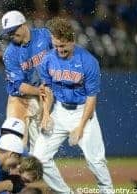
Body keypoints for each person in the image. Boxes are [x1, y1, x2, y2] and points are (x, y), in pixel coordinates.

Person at [34, 17, 113, 193]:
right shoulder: (47, 60)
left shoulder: (88, 61)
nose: (59, 50)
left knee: (96, 160)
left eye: (63, 46)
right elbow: (46, 89)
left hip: (83, 112)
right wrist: (46, 114)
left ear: (72, 41)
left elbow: (92, 98)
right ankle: (65, 192)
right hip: (59, 111)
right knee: (39, 158)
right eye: (56, 46)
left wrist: (81, 127)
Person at [0, 10, 52, 150]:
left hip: (40, 95)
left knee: (41, 148)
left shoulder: (44, 35)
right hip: (20, 99)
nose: (10, 35)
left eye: (13, 30)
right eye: (8, 32)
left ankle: (39, 171)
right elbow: (19, 86)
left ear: (23, 25)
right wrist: (41, 91)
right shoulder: (10, 54)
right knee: (15, 143)